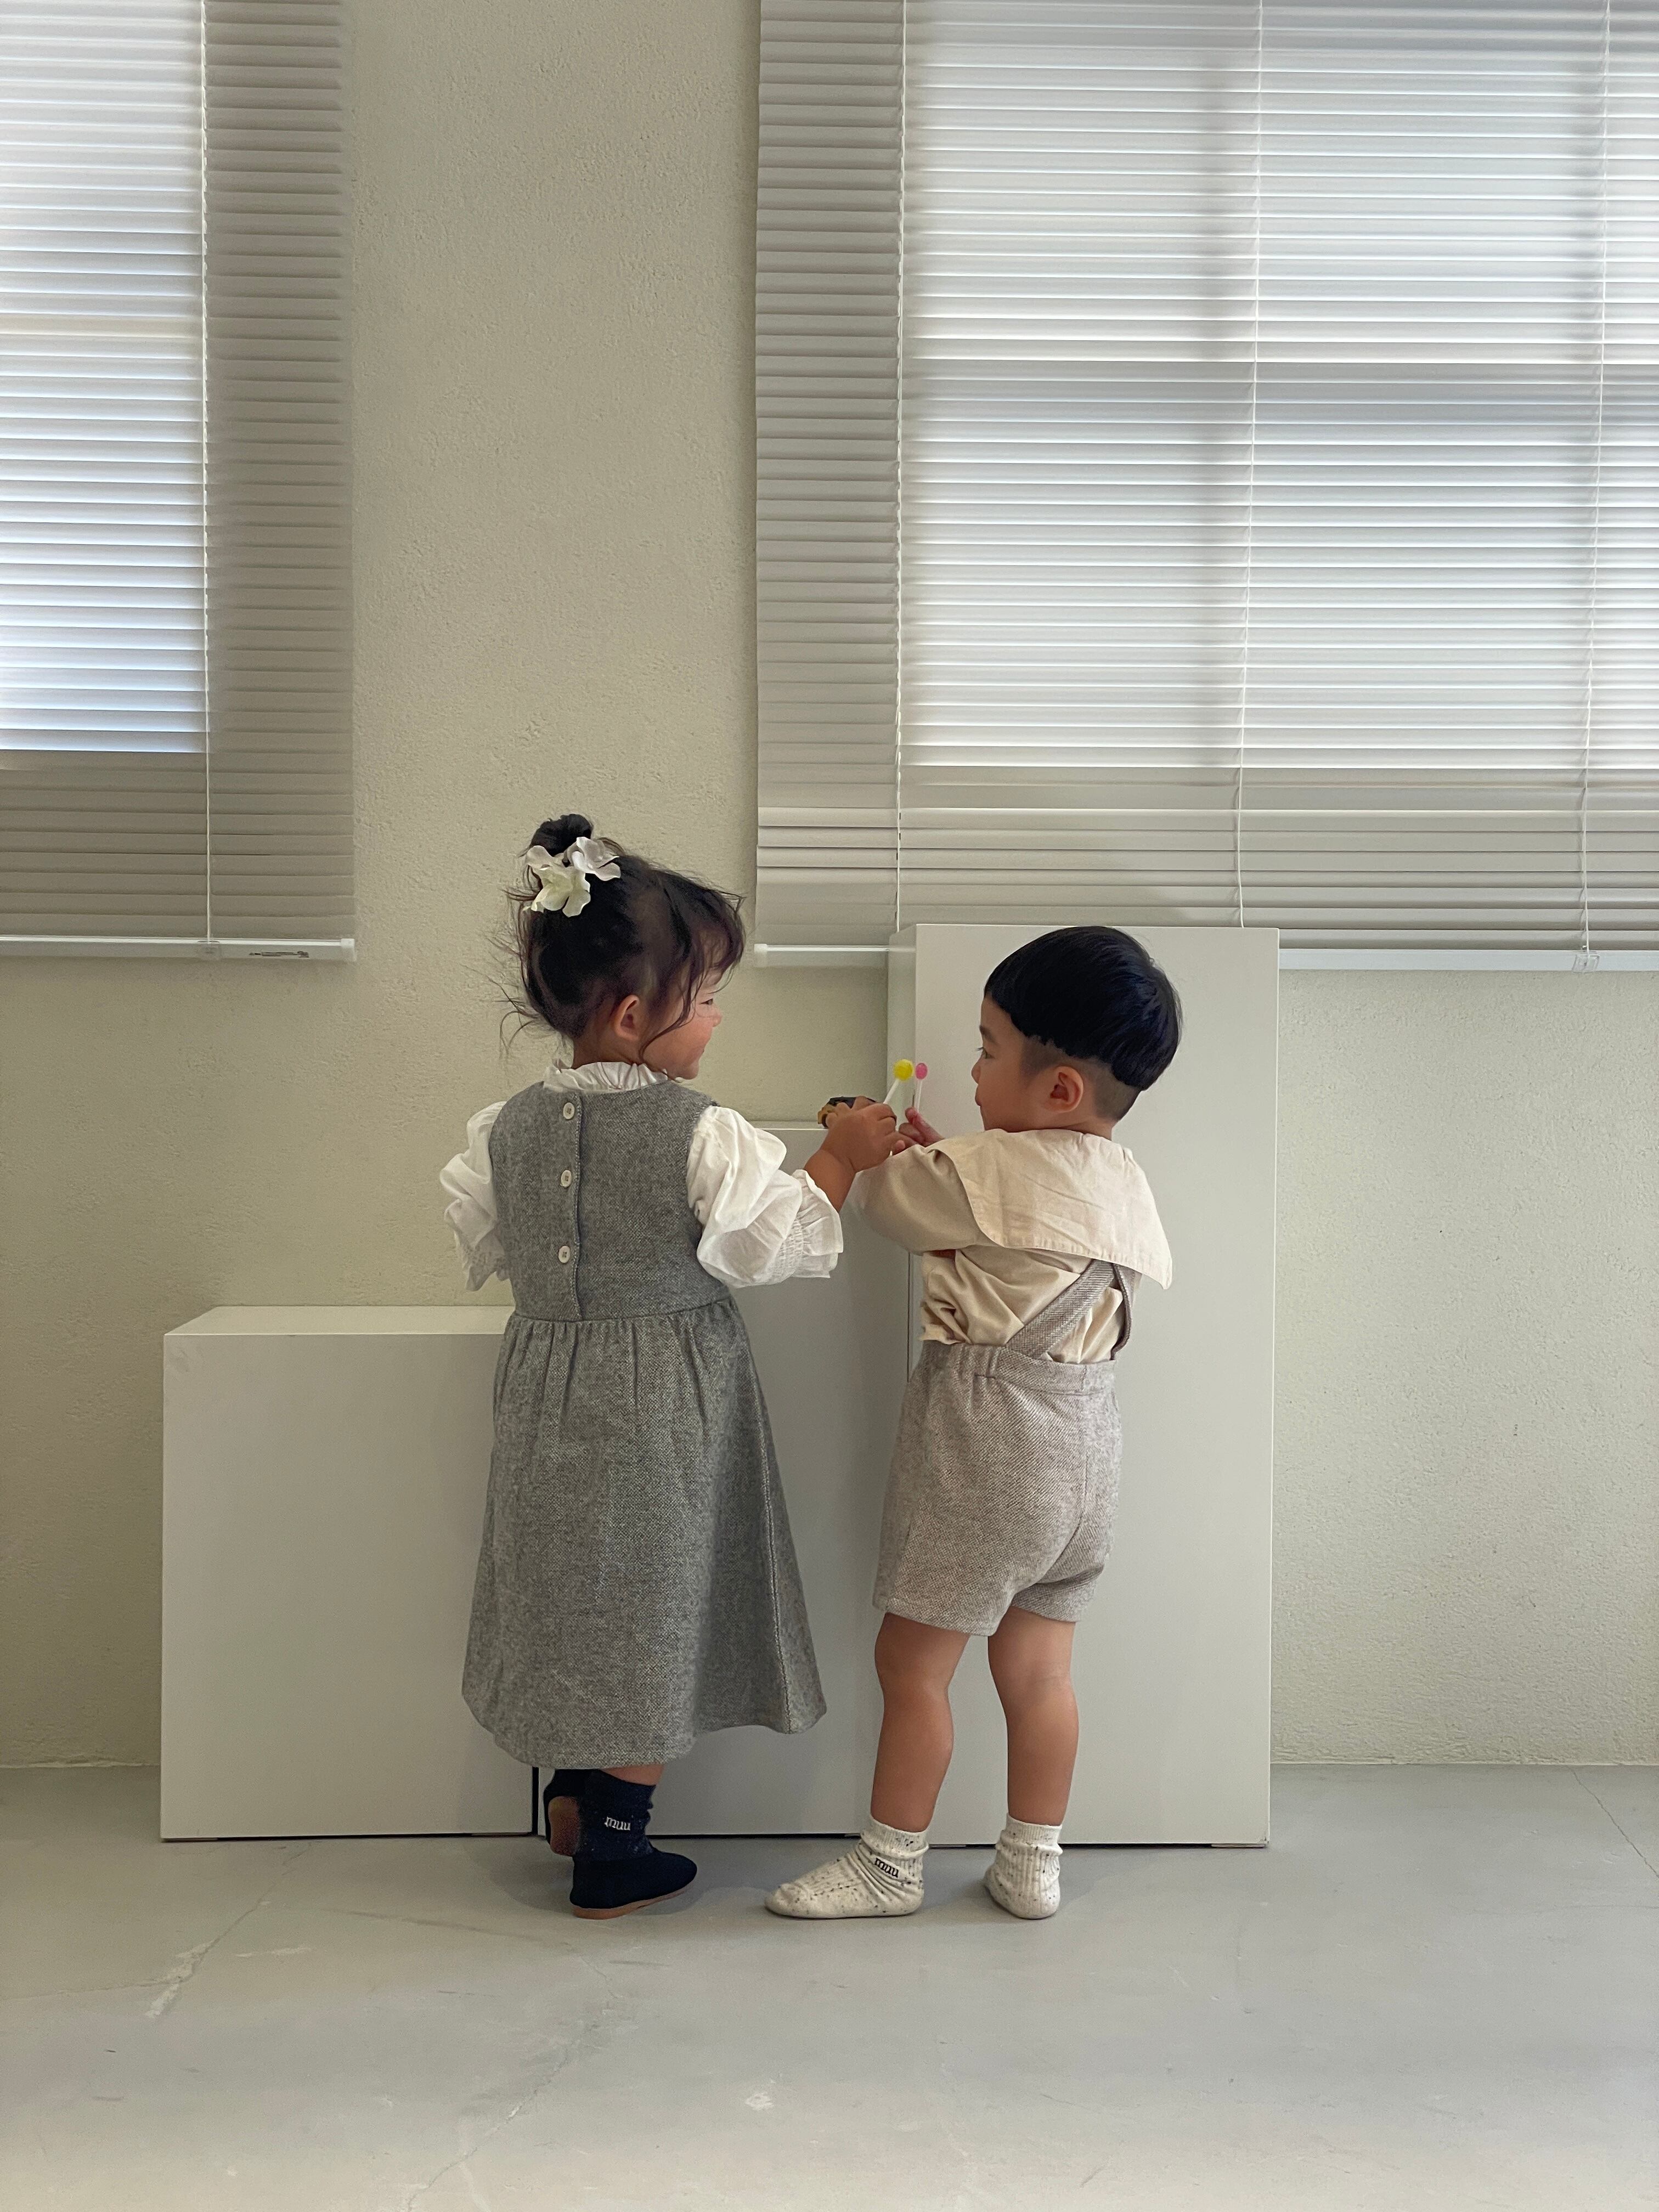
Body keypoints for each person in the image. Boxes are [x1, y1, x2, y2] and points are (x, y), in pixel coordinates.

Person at [442, 816, 900, 1919]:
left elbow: (488, 1240)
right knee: (657, 1602)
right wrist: (841, 1158)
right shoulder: (702, 1133)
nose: (717, 1018)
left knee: (569, 1593)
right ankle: (615, 1842)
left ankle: (571, 1792)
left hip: (545, 1395)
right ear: (633, 1014)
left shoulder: (503, 1129)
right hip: (664, 1405)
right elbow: (772, 1244)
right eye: (704, 998)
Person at [768, 927, 1179, 1923]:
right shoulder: (1126, 1181)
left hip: (990, 1443)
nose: (972, 1071)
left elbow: (889, 1208)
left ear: (1059, 1089)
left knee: (913, 1665)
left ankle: (889, 1865)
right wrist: (943, 1158)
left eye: (989, 1050)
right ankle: (1032, 1862)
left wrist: (858, 1137)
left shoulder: (982, 1168)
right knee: (1040, 1673)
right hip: (1088, 1456)